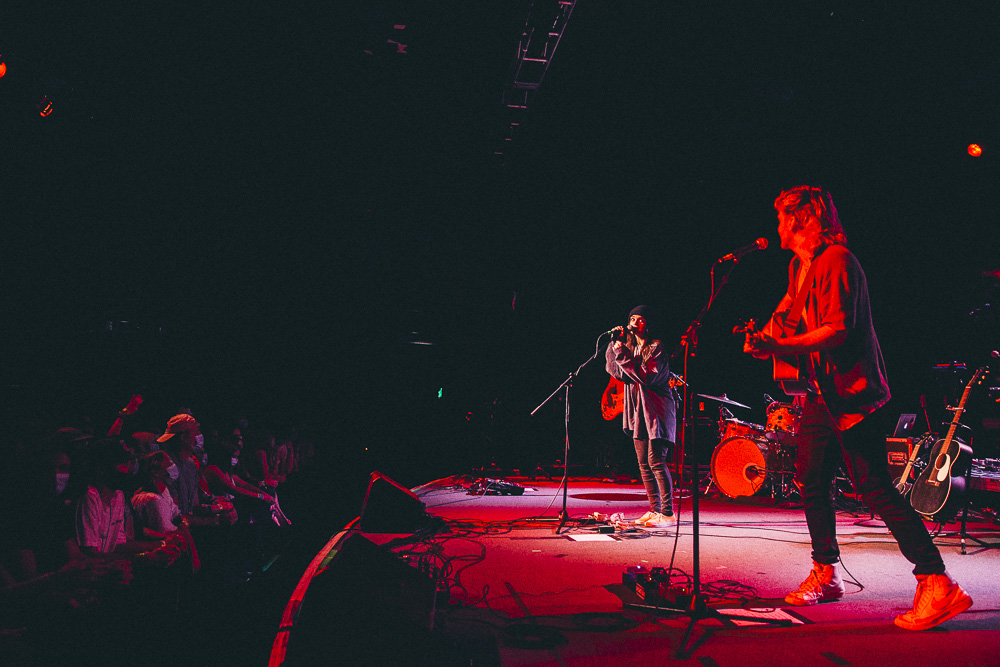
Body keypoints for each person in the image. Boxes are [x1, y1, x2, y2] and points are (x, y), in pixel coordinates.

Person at [743, 185, 971, 630]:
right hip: (820, 394)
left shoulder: (838, 261)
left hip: (854, 395)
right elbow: (787, 314)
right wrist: (764, 337)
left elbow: (837, 329)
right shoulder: (800, 265)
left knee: (874, 487)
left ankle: (937, 581)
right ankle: (826, 574)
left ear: (802, 219)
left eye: (782, 218)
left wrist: (780, 344)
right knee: (810, 479)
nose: (777, 227)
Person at [605, 305, 677, 528]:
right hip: (639, 414)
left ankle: (667, 513)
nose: (635, 322)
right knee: (643, 464)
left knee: (656, 462)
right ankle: (654, 510)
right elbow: (617, 372)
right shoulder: (631, 349)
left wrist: (622, 353)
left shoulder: (657, 349)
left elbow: (646, 376)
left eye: (640, 319)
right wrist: (614, 345)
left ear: (649, 324)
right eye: (632, 318)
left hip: (657, 412)